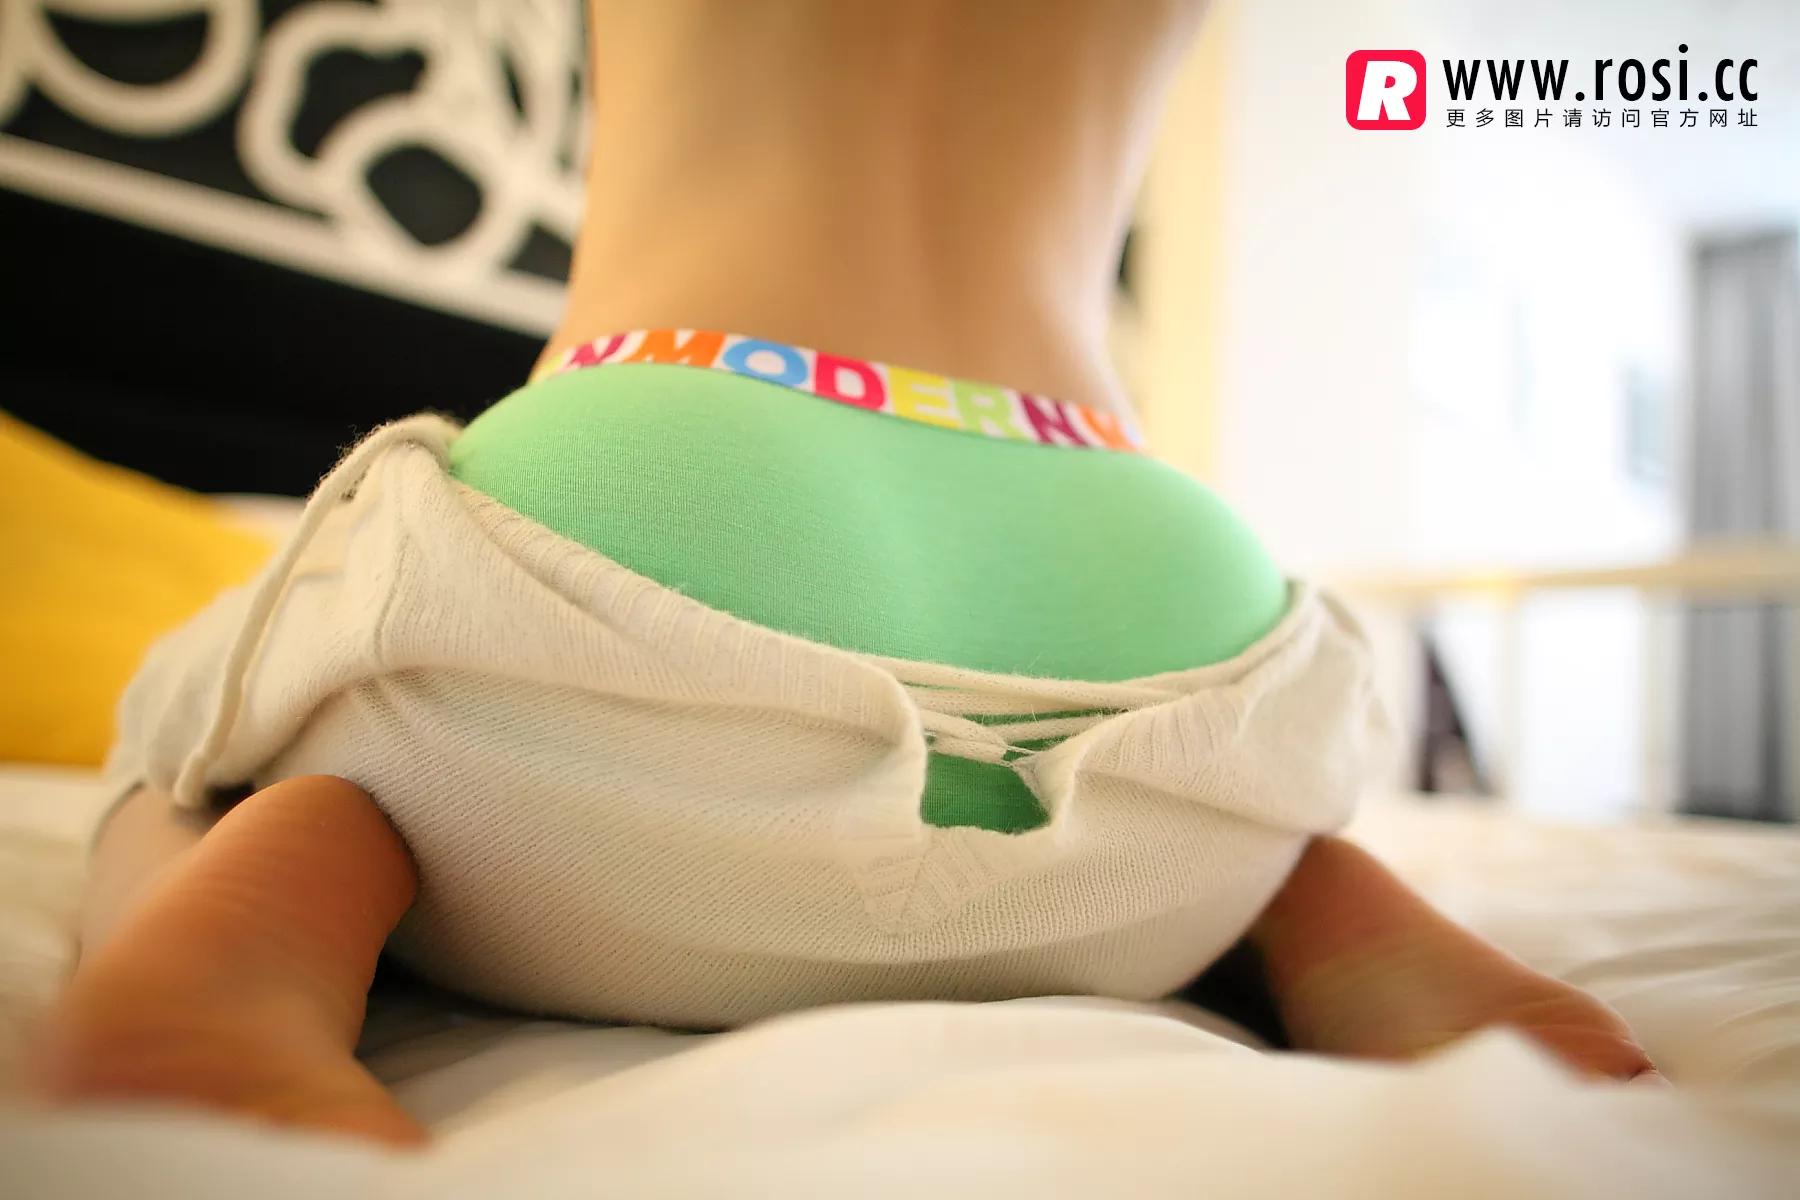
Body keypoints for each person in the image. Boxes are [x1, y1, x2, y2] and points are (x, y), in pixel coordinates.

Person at [28, 0, 1655, 1147]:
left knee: (203, 716)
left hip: (684, 442)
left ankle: (234, 952)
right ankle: (1328, 913)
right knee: (1196, 786)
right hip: (1132, 536)